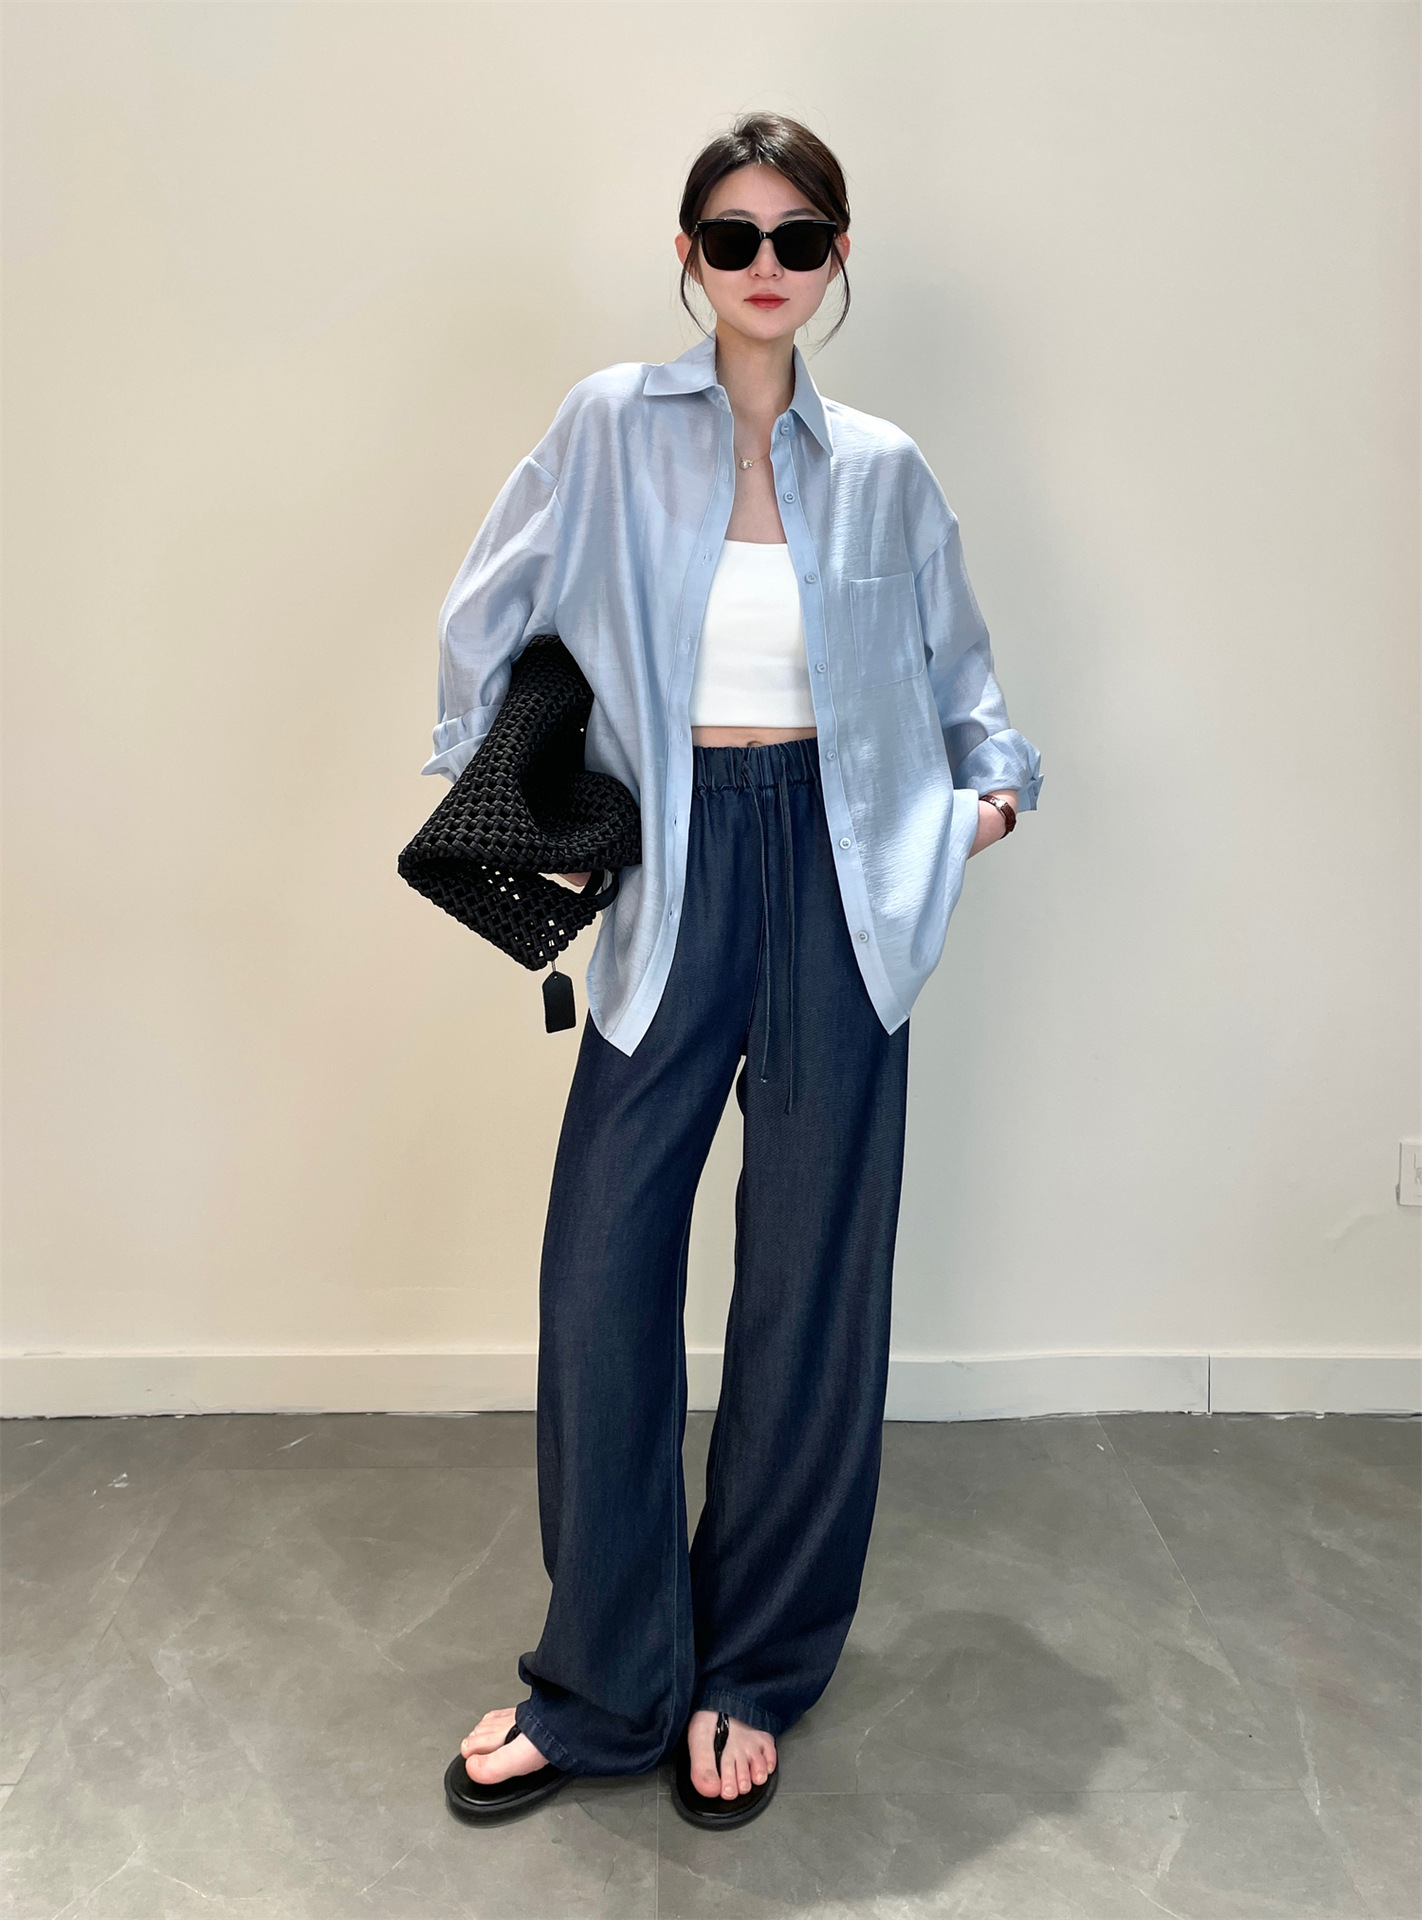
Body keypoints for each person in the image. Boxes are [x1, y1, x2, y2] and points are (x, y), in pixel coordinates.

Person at [427, 111, 1043, 1828]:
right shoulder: (607, 428)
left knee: (808, 1284)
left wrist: (984, 803)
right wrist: (523, 809)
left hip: (844, 873)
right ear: (687, 254)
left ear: (836, 259)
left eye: (797, 237)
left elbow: (961, 679)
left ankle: (751, 1671)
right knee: (601, 1265)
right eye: (730, 235)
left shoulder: (886, 470)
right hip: (680, 862)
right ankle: (603, 1679)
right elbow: (486, 619)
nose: (763, 266)